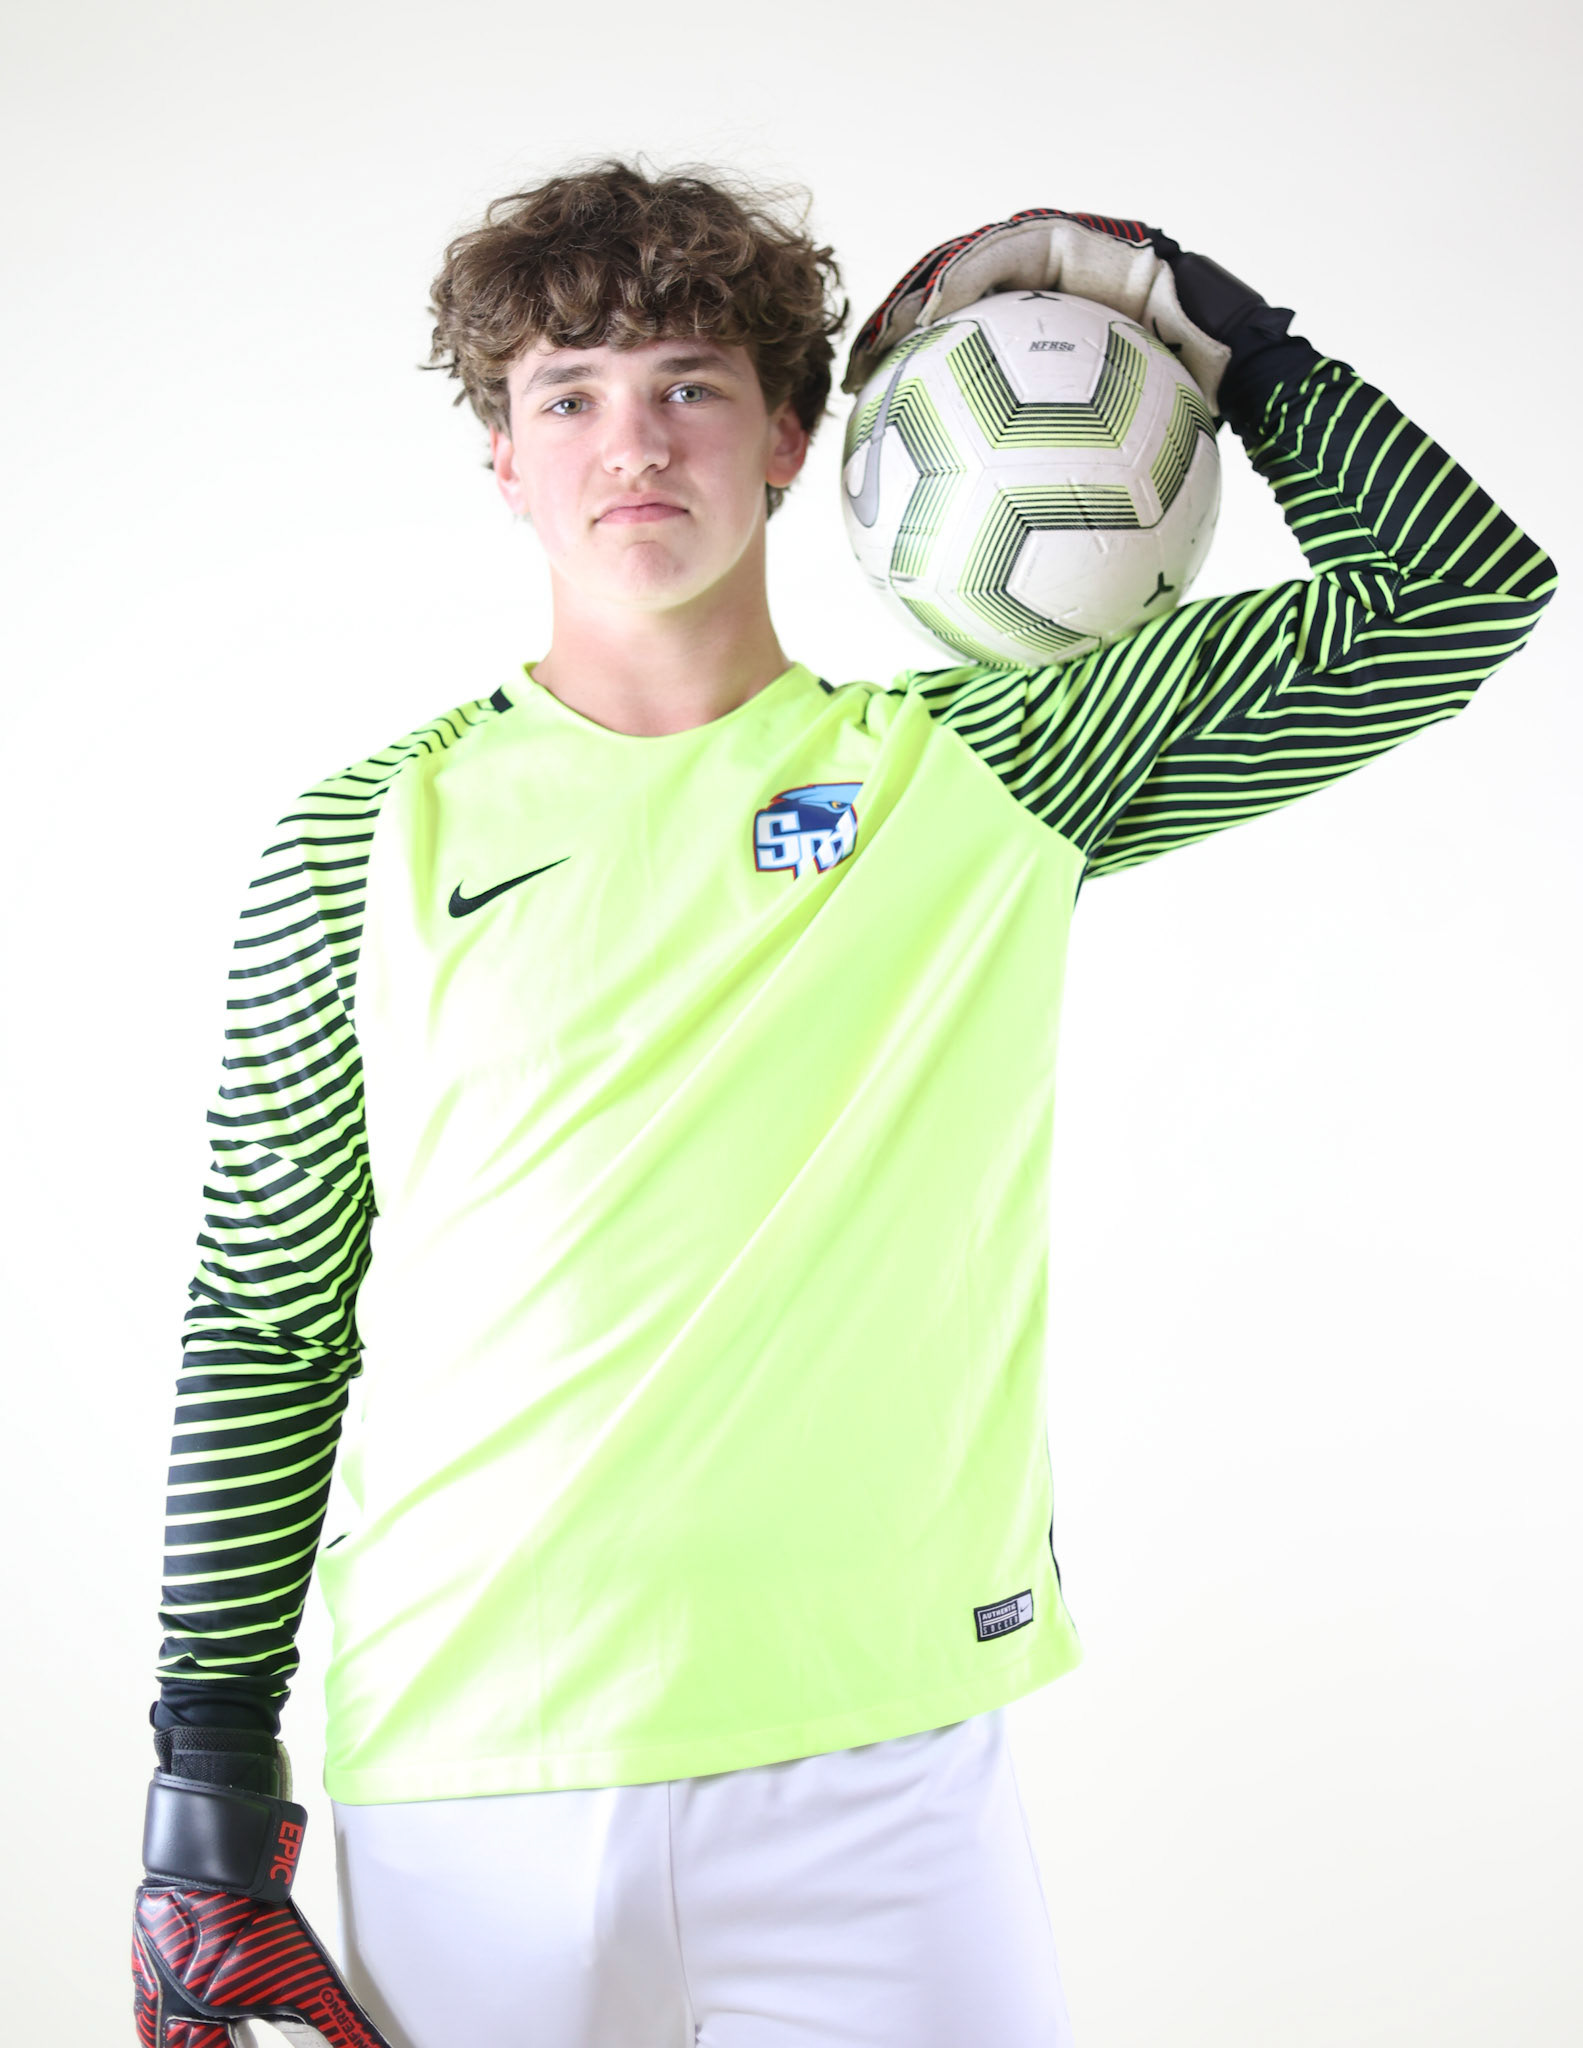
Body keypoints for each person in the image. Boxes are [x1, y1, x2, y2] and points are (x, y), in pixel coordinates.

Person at [131, 162, 1556, 2048]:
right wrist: (204, 1772)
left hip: (884, 1773)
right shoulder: (358, 840)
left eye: (691, 385)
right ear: (503, 461)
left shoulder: (993, 769)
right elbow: (267, 1310)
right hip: (475, 1772)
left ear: (796, 439)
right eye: (569, 395)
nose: (634, 442)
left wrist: (1216, 333)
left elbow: (1454, 591)